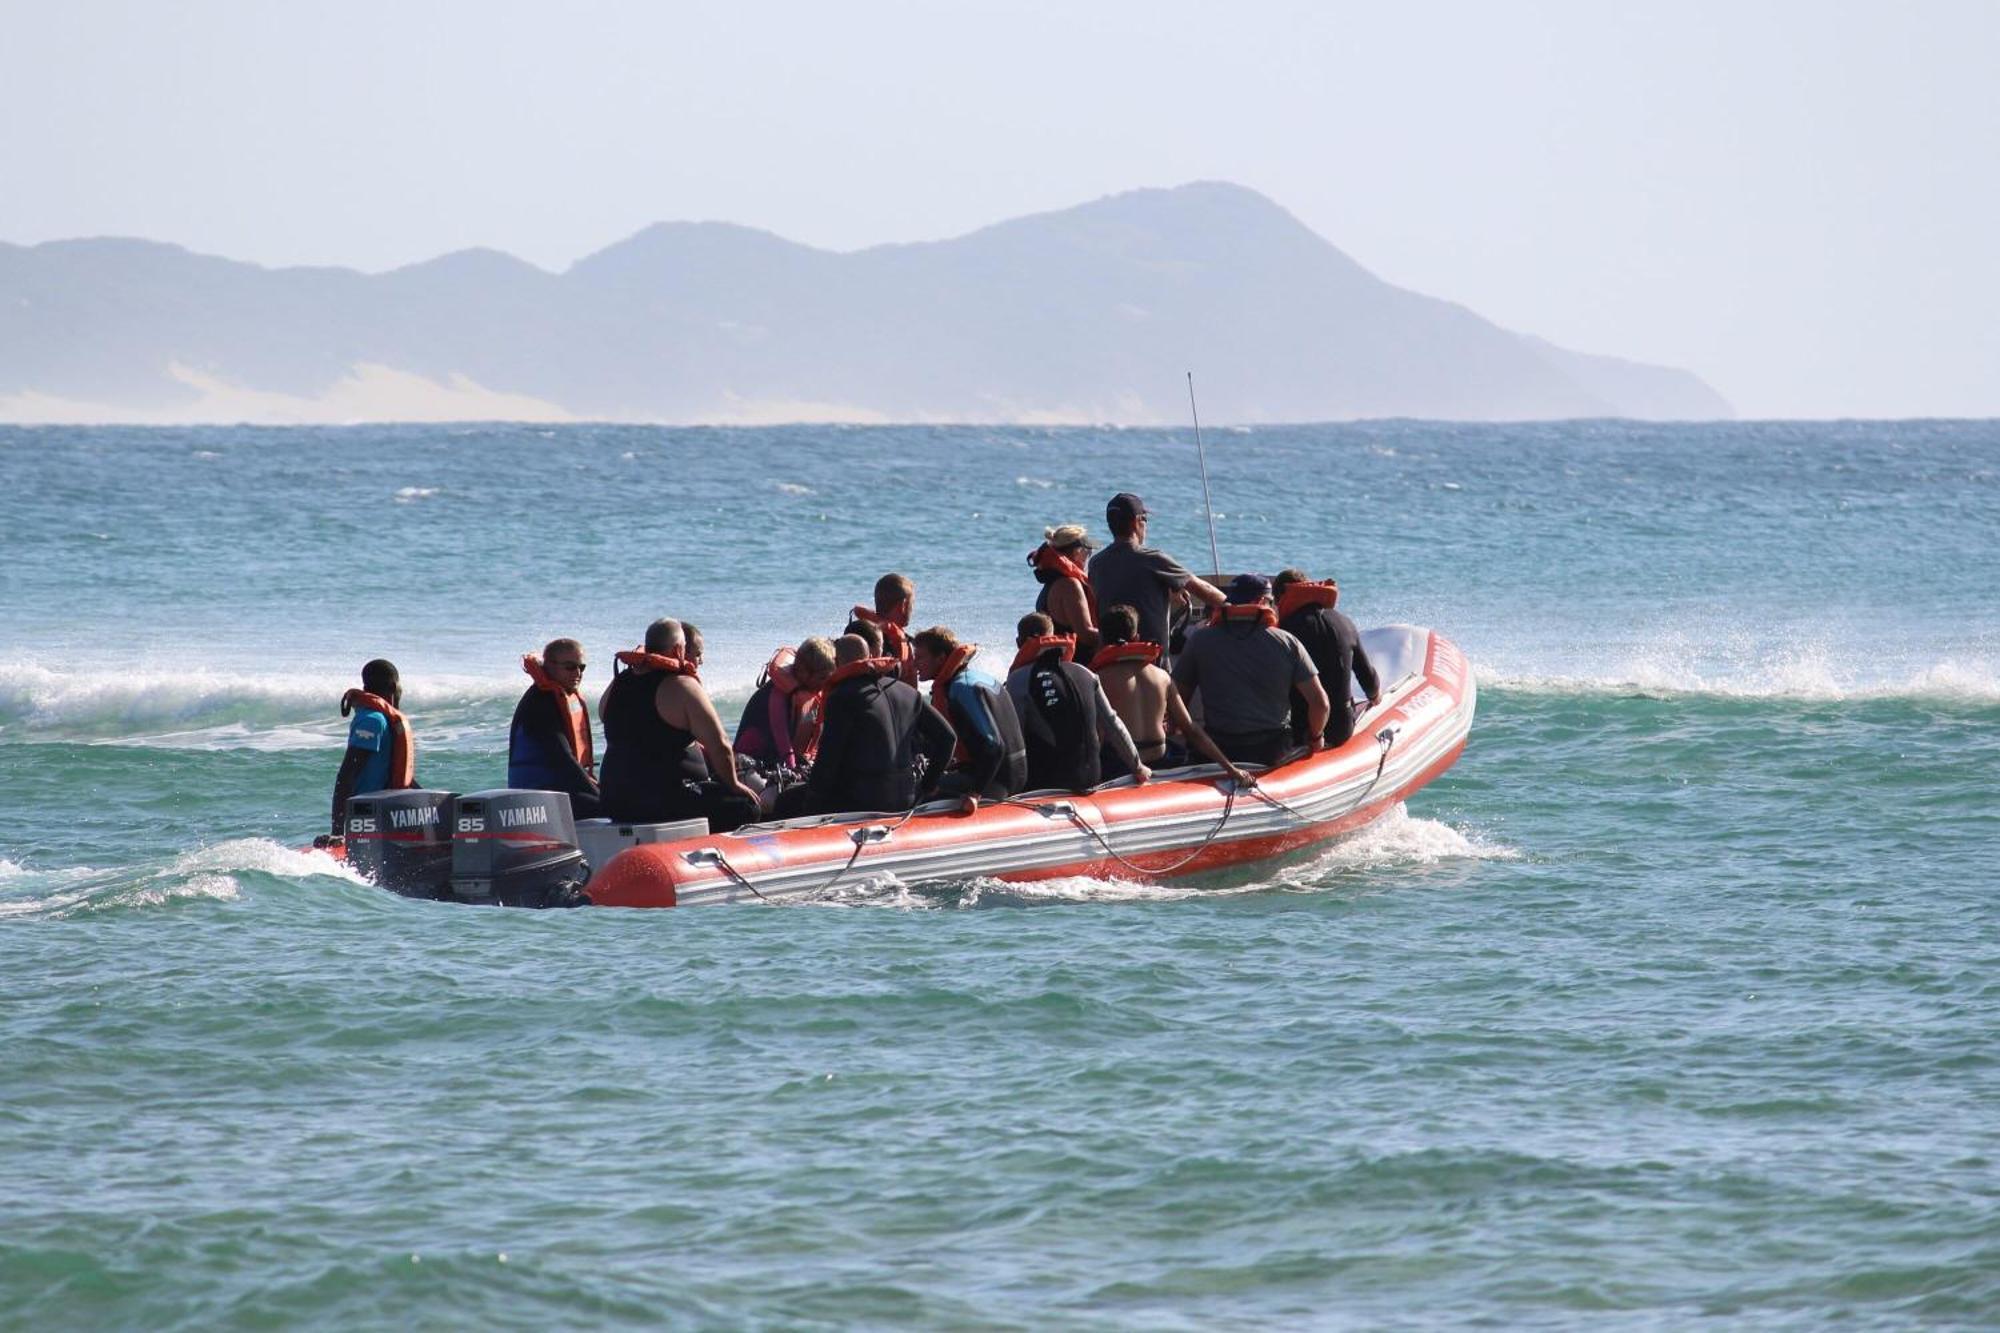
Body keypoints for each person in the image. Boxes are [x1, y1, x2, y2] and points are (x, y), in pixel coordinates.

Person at [596, 618, 759, 832]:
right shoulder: (682, 685)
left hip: (614, 798)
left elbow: (603, 715)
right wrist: (734, 784)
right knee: (746, 806)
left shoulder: (620, 682)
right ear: (679, 649)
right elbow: (720, 745)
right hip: (664, 801)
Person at [789, 634, 958, 817]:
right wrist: (928, 785)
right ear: (870, 657)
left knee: (785, 800)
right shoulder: (908, 692)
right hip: (907, 798)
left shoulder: (841, 697)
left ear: (836, 662)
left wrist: (812, 804)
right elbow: (948, 738)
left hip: (861, 802)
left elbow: (828, 761)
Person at [1171, 575, 1330, 768]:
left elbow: (1178, 700)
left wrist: (1179, 731)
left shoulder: (1199, 640)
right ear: (1263, 602)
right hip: (1272, 750)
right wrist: (1316, 737)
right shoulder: (1288, 642)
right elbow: (1320, 704)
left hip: (1218, 747)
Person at [1091, 605, 1252, 787]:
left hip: (1121, 766)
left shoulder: (1097, 679)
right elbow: (1191, 730)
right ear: (1136, 637)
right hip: (1161, 759)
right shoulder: (1162, 676)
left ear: (1102, 639)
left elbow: (1097, 736)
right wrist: (1231, 769)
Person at [1006, 612, 1147, 792]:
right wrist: (1138, 767)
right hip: (1091, 777)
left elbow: (1014, 739)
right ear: (1054, 637)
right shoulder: (1086, 673)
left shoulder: (1018, 680)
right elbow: (1113, 724)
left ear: (1019, 643)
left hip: (1045, 782)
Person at [1087, 492, 1225, 664]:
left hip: (1110, 662)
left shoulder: (1096, 564)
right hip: (1150, 662)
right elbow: (1204, 591)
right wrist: (1237, 607)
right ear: (1137, 522)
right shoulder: (1153, 559)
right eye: (1145, 520)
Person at [910, 625, 1027, 812]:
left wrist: (975, 793)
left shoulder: (961, 688)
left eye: (920, 658)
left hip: (997, 781)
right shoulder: (977, 678)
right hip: (1016, 773)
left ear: (941, 658)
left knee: (911, 789)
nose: (914, 664)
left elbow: (995, 746)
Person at [1271, 569, 1382, 748]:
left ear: (1280, 599)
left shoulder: (1283, 632)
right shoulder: (1344, 622)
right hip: (1341, 728)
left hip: (1300, 731)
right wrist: (1375, 695)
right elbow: (1368, 679)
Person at [508, 637, 601, 817]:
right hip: (538, 798)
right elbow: (562, 759)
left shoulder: (560, 697)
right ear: (549, 666)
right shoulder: (540, 705)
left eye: (581, 667)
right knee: (615, 807)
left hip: (559, 790)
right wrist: (598, 794)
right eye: (570, 667)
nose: (578, 673)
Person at [327, 658, 417, 841]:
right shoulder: (373, 721)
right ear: (393, 687)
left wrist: (443, 805)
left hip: (386, 814)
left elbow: (402, 778)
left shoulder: (383, 720)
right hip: (368, 817)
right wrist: (337, 833)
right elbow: (346, 775)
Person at [734, 636, 835, 771]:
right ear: (803, 672)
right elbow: (784, 746)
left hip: (779, 761)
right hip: (750, 762)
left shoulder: (812, 693)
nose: (825, 684)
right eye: (822, 678)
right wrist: (793, 769)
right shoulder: (778, 696)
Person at [1027, 523, 1101, 658]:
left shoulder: (1052, 582)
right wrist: (1118, 637)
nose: (1088, 557)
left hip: (1056, 660)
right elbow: (1086, 635)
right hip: (1076, 665)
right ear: (1077, 551)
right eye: (1088, 552)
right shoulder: (1070, 585)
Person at [849, 573, 917, 684]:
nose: (912, 609)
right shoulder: (899, 643)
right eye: (912, 604)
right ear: (903, 605)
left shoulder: (858, 633)